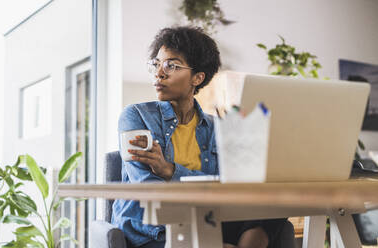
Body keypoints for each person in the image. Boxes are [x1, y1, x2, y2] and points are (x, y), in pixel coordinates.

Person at [111, 26, 289, 248]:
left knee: (276, 205)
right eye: (157, 64)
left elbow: (224, 186)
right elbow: (147, 188)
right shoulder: (135, 116)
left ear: (197, 77)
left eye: (171, 65)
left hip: (206, 221)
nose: (159, 73)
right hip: (153, 231)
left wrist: (170, 171)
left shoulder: (216, 127)